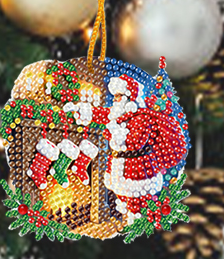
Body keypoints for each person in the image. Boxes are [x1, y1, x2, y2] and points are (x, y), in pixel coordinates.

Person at [65, 74, 188, 216]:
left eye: (118, 96)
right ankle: (127, 217)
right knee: (122, 199)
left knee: (136, 201)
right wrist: (80, 110)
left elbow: (135, 142)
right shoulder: (119, 115)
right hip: (119, 166)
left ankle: (138, 220)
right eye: (115, 96)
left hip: (137, 169)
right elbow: (101, 114)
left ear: (129, 98)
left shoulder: (141, 117)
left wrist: (113, 133)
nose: (114, 100)